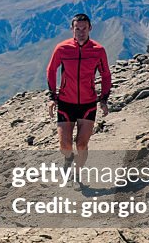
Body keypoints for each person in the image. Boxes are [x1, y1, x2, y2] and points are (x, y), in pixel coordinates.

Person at [46, 13, 111, 168]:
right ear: (72, 29)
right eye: (77, 29)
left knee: (82, 145)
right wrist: (52, 96)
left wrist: (103, 99)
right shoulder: (62, 48)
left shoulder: (98, 50)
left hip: (88, 103)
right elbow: (51, 70)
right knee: (65, 147)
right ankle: (68, 160)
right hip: (66, 102)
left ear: (90, 28)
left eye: (84, 28)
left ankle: (77, 172)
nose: (81, 32)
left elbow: (106, 74)